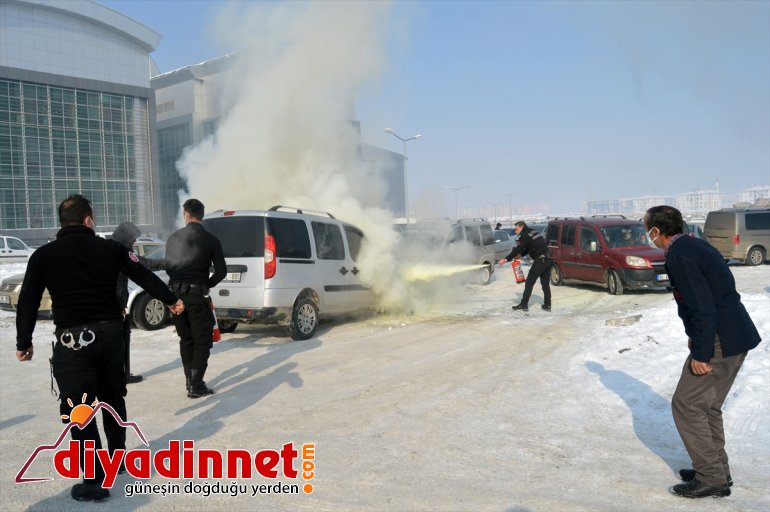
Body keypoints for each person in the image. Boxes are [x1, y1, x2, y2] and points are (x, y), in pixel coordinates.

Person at [15, 195, 183, 502]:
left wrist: (23, 342)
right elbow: (144, 276)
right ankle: (117, 459)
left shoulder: (43, 256)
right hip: (110, 337)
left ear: (62, 222)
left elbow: (28, 300)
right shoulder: (112, 249)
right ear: (89, 220)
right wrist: (171, 300)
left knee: (79, 408)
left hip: (72, 342)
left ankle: (93, 481)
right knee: (112, 398)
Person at [644, 205, 761, 499]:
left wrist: (702, 352)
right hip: (734, 333)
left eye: (647, 228)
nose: (647, 234)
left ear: (656, 230)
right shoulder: (694, 245)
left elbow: (702, 305)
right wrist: (695, 337)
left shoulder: (680, 254)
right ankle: (717, 470)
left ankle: (711, 477)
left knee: (686, 404)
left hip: (720, 338)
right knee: (707, 406)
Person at [165, 198, 227, 398]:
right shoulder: (211, 240)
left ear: (186, 214)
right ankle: (196, 384)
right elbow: (221, 272)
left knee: (186, 339)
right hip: (196, 297)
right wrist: (207, 284)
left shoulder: (174, 238)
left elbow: (169, 268)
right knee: (202, 341)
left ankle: (189, 380)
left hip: (176, 298)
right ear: (202, 215)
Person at [111, 222, 165, 385]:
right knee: (118, 342)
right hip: (114, 303)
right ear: (126, 237)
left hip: (110, 301)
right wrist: (167, 263)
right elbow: (144, 264)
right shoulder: (121, 251)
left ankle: (117, 374)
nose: (135, 241)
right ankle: (121, 375)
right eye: (133, 238)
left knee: (115, 342)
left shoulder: (109, 247)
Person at [498, 221, 554, 311]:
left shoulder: (525, 236)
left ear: (521, 227)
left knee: (529, 282)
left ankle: (524, 304)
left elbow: (517, 249)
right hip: (548, 259)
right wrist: (521, 255)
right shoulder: (532, 231)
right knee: (545, 284)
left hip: (541, 260)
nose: (515, 231)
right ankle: (547, 304)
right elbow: (530, 246)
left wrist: (505, 259)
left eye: (516, 229)